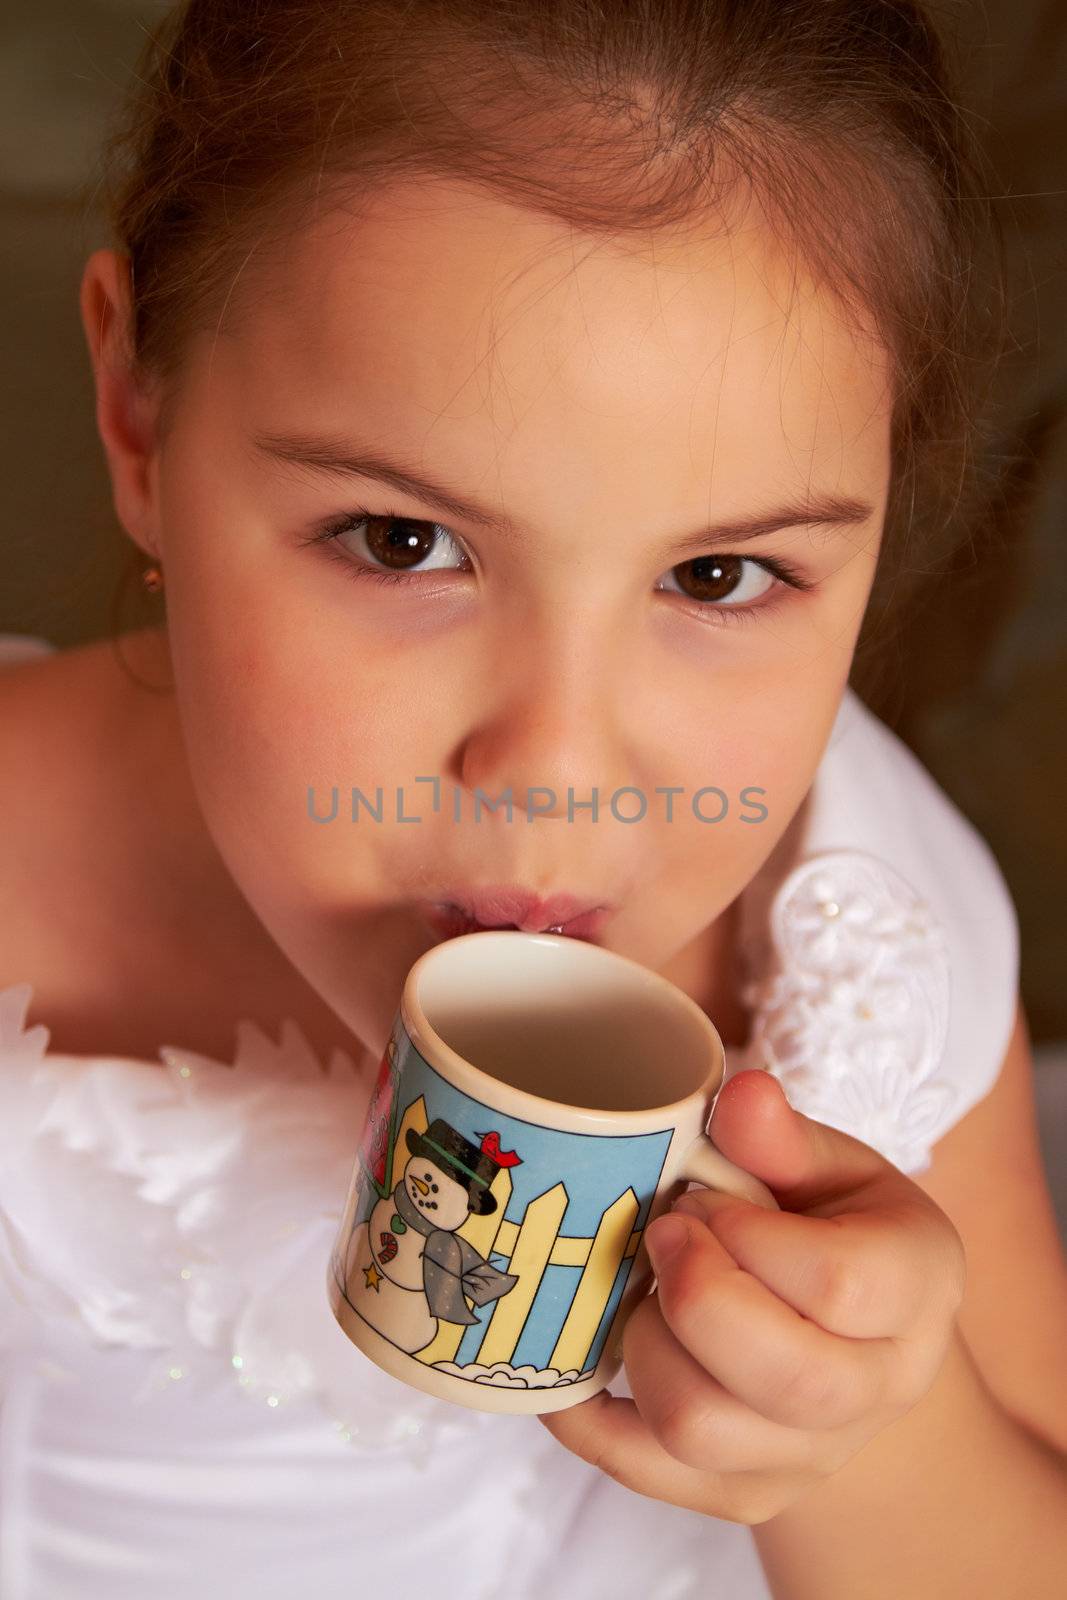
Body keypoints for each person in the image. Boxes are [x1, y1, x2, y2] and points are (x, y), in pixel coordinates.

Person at [1, 2, 1066, 1596]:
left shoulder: (856, 943)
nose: (560, 773)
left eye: (720, 574)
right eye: (401, 543)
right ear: (139, 410)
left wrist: (871, 1446)